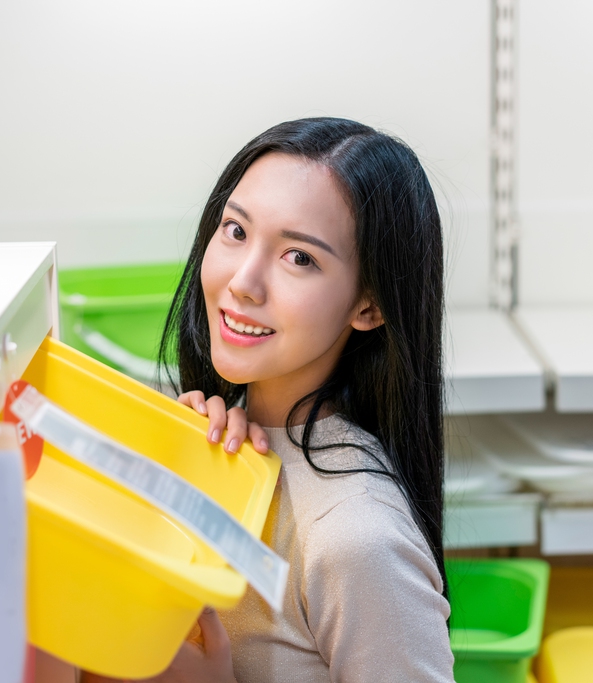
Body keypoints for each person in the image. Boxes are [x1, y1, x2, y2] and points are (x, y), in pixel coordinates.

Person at [85, 117, 453, 683]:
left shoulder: (355, 537)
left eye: (299, 258)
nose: (244, 282)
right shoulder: (214, 443)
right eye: (235, 231)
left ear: (370, 307)